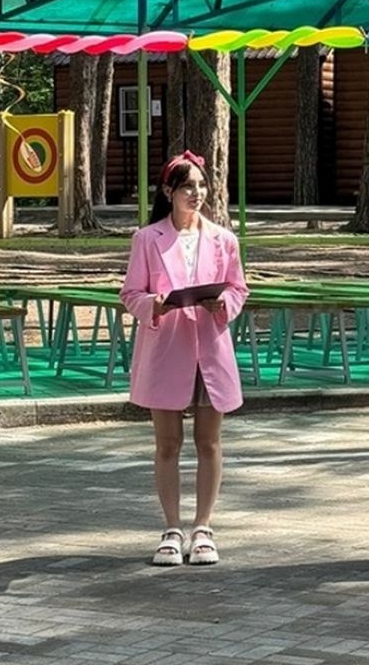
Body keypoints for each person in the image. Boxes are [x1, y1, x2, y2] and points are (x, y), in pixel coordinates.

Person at [120, 151, 249, 566]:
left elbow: (238, 288)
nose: (196, 194)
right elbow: (130, 294)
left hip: (209, 348)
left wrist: (223, 303)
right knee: (167, 443)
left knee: (209, 442)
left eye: (201, 185)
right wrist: (153, 304)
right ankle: (172, 528)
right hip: (167, 349)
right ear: (168, 192)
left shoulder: (224, 239)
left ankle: (204, 527)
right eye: (187, 186)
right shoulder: (147, 239)